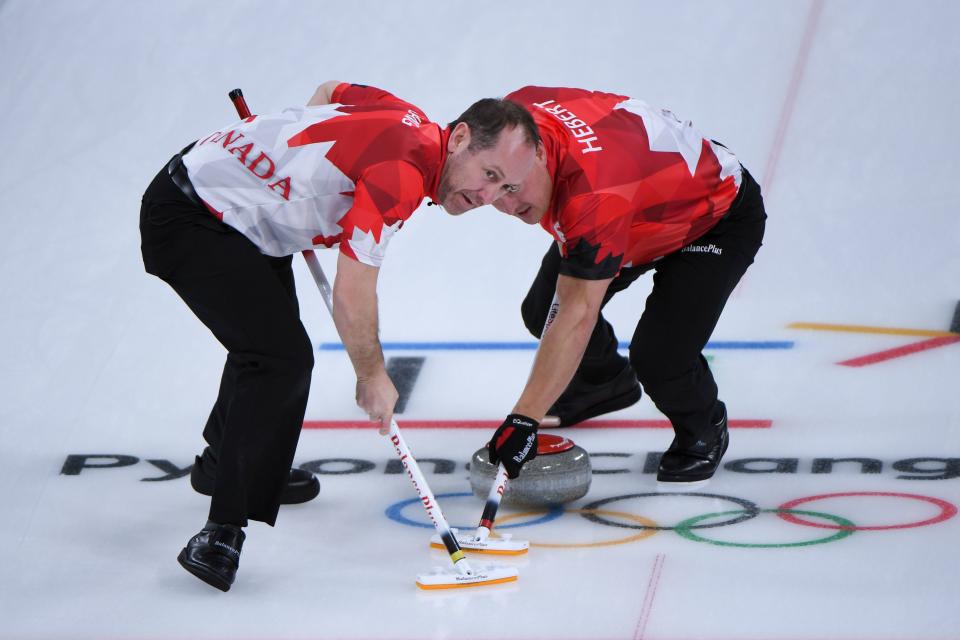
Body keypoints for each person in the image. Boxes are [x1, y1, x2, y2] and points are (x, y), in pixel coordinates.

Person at [139, 81, 540, 591]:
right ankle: (220, 533)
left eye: (504, 188)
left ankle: (229, 462)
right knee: (276, 357)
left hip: (246, 217)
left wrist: (288, 165)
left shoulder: (407, 117)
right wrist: (372, 375)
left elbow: (330, 90)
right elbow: (353, 293)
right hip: (192, 215)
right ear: (459, 138)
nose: (487, 197)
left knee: (264, 343)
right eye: (489, 174)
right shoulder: (400, 176)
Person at [467, 86, 766, 485]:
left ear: (538, 154)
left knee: (660, 357)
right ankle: (603, 383)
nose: (505, 206)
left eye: (513, 188)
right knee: (541, 309)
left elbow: (576, 314)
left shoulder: (593, 199)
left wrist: (523, 420)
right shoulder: (510, 120)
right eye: (493, 187)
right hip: (637, 206)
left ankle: (704, 425)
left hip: (714, 219)